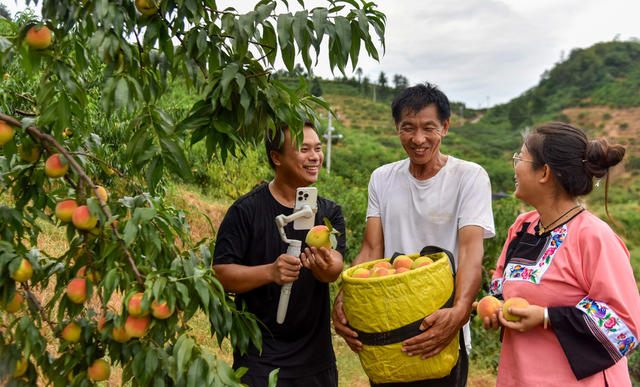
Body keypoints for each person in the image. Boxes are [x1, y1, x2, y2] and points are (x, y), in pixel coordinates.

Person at [333, 83, 495, 386]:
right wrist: (346, 297)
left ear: (445, 127)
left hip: (439, 328)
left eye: (428, 128)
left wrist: (458, 313)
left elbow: (471, 254)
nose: (418, 139)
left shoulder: (469, 177)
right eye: (408, 128)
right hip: (387, 330)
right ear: (397, 127)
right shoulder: (382, 178)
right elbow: (370, 250)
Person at [483, 122, 640, 386]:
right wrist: (495, 308)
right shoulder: (522, 227)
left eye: (519, 158)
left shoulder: (594, 237)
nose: (515, 166)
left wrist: (546, 317)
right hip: (519, 376)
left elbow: (624, 325)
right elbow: (500, 287)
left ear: (544, 172)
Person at [212, 122, 346, 387]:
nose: (314, 157)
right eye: (304, 149)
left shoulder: (329, 213)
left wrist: (325, 267)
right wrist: (270, 272)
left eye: (318, 149)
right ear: (276, 158)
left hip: (315, 360)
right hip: (259, 359)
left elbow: (335, 268)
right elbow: (220, 274)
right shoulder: (245, 211)